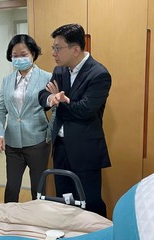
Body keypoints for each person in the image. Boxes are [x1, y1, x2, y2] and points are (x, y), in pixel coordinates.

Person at [38, 24, 112, 217]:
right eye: (53, 47)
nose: (53, 53)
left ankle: (98, 236)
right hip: (61, 147)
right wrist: (51, 98)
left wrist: (62, 102)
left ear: (75, 49)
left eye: (57, 48)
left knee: (90, 201)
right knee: (65, 200)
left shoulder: (99, 74)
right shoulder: (60, 70)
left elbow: (84, 110)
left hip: (85, 150)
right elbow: (43, 94)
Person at [0, 34, 53, 203]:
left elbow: (56, 108)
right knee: (12, 187)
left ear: (33, 54)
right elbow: (0, 109)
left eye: (23, 54)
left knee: (38, 187)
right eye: (15, 55)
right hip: (12, 142)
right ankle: (9, 221)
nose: (19, 58)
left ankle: (37, 221)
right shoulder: (7, 80)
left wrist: (50, 132)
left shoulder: (47, 77)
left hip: (38, 141)